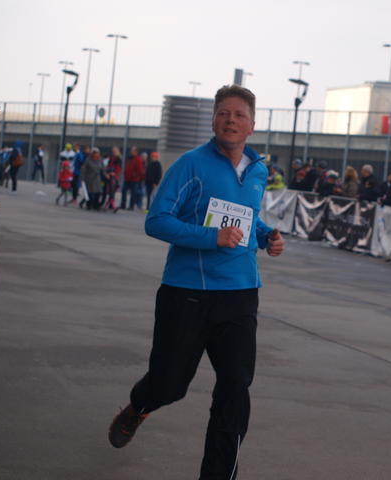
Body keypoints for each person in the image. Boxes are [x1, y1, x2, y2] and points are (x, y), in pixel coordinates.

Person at [108, 85, 285, 480]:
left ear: (252, 125)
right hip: (187, 294)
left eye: (239, 115)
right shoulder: (190, 165)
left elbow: (247, 218)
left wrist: (266, 237)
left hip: (240, 294)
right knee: (169, 385)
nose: (230, 120)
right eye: (223, 113)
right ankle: (139, 407)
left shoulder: (258, 171)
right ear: (213, 120)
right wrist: (211, 237)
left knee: (235, 390)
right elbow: (157, 221)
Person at [119, 146, 145, 210]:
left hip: (134, 179)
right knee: (124, 191)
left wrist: (136, 176)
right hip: (127, 178)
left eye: (133, 151)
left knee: (133, 193)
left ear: (136, 152)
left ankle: (131, 206)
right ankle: (123, 204)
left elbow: (140, 170)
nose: (131, 152)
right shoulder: (130, 158)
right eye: (131, 151)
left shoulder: (138, 159)